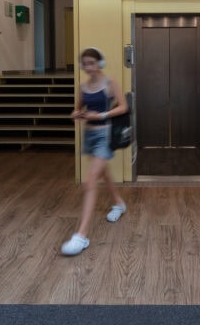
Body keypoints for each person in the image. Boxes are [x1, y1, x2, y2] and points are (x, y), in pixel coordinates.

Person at [61, 47, 129, 256]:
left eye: (92, 63)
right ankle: (118, 203)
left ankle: (81, 236)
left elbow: (123, 107)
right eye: (85, 64)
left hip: (105, 136)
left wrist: (100, 116)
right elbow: (77, 108)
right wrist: (77, 114)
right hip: (89, 136)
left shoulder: (109, 83)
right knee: (102, 172)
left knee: (90, 180)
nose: (88, 67)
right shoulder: (83, 87)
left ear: (100, 63)